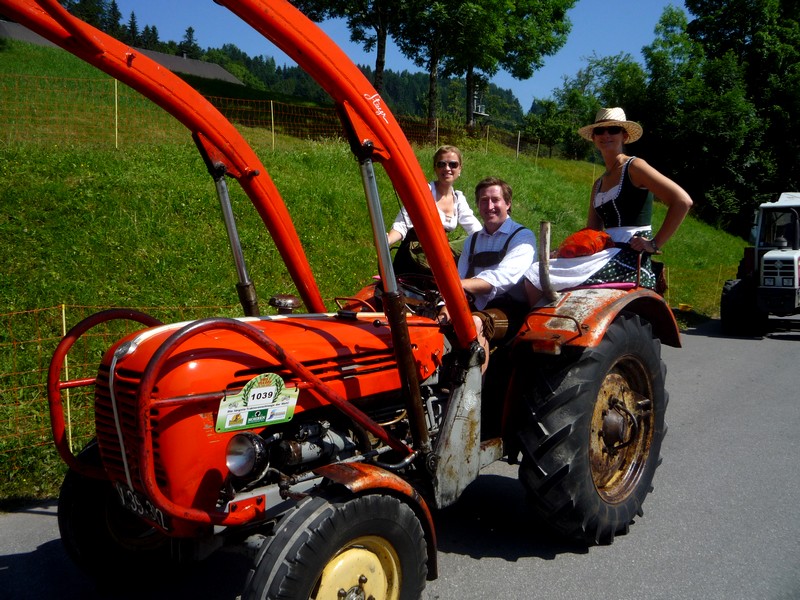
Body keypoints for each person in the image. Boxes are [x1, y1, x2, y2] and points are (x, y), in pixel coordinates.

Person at [524, 107, 693, 305]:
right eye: (599, 131)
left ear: (624, 136)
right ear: (594, 138)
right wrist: (564, 252)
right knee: (539, 269)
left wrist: (654, 244)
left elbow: (682, 201)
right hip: (604, 251)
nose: (605, 135)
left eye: (613, 129)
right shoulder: (598, 183)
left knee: (537, 275)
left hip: (630, 257)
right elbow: (592, 231)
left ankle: (536, 319)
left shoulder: (635, 167)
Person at [442, 177, 536, 373]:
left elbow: (503, 278)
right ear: (478, 205)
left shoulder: (522, 236)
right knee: (434, 322)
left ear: (508, 203)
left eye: (495, 200)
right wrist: (445, 307)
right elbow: (460, 279)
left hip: (511, 310)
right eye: (484, 201)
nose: (490, 206)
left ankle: (474, 389)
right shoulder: (472, 240)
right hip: (474, 304)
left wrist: (456, 285)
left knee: (476, 322)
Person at [388, 145, 482, 274]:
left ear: (460, 169)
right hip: (415, 255)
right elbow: (402, 223)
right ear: (435, 168)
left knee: (472, 241)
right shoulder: (425, 191)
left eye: (453, 165)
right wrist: (388, 240)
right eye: (441, 164)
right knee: (466, 245)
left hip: (439, 255)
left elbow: (474, 227)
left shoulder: (458, 198)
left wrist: (491, 242)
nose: (447, 168)